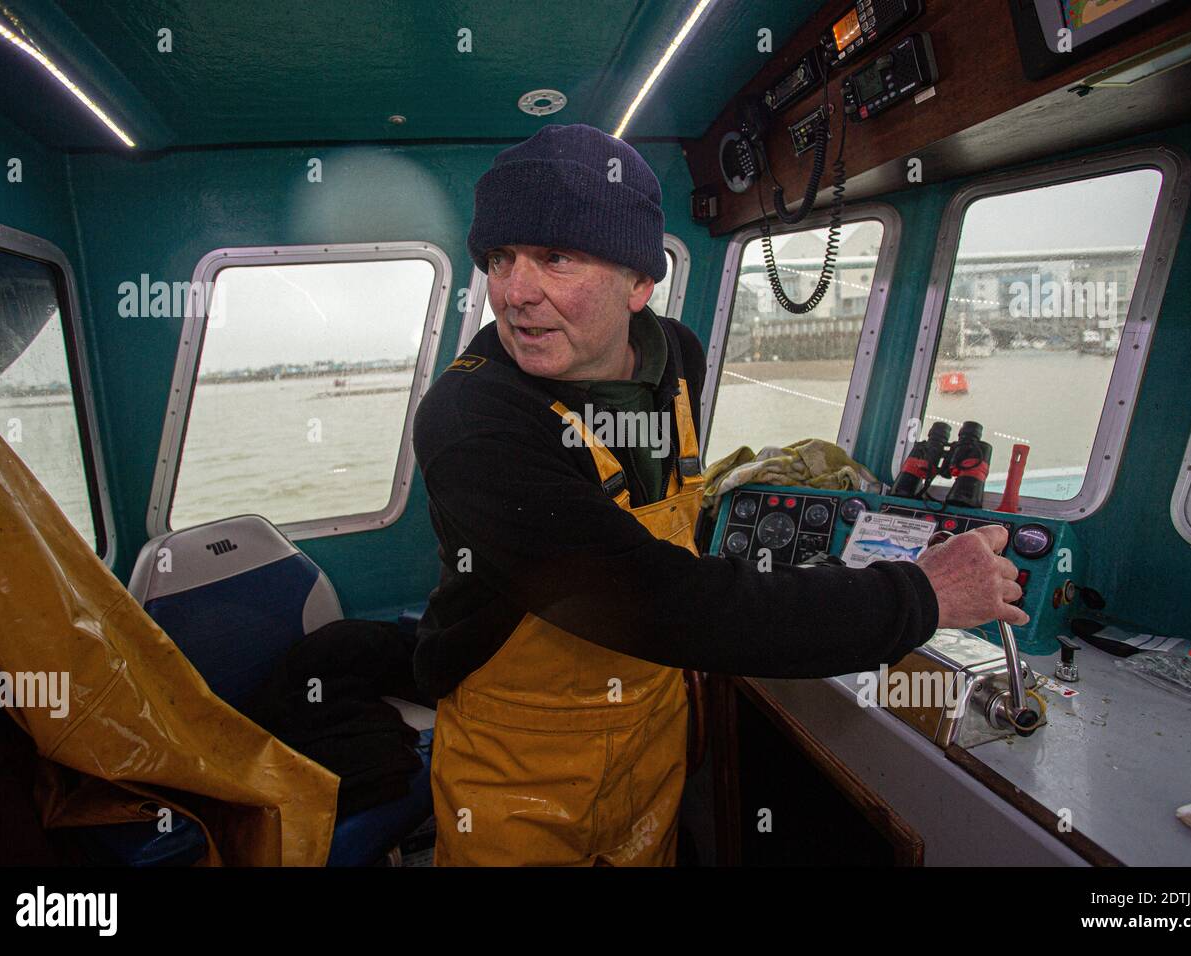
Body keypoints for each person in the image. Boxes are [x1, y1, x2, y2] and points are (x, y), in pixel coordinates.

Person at [412, 123, 1027, 866]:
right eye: (500, 259)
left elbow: (678, 543)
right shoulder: (471, 423)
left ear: (640, 282)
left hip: (652, 728)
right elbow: (658, 600)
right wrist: (918, 598)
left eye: (556, 257)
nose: (513, 292)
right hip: (518, 765)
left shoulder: (676, 355)